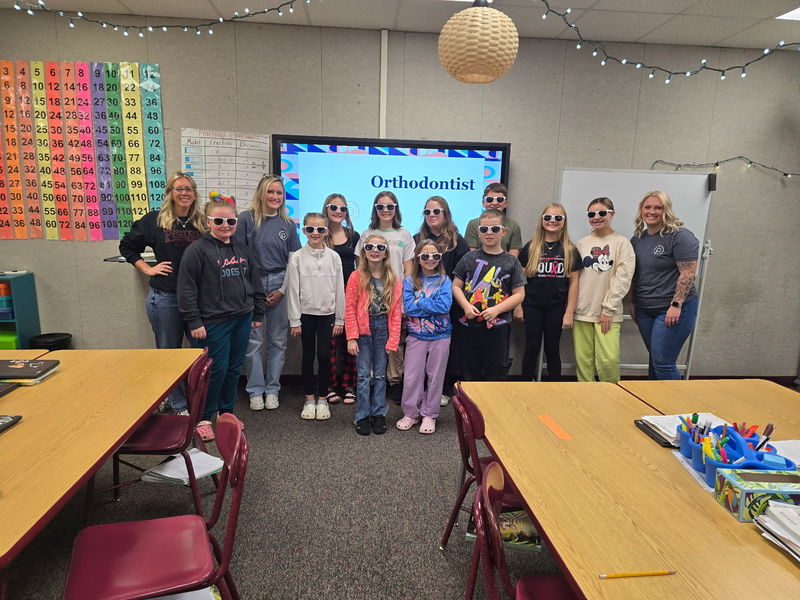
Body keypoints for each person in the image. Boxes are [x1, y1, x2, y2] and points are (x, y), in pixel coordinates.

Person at [177, 197, 265, 442]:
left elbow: (254, 280)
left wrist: (257, 312)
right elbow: (186, 289)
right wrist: (194, 321)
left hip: (242, 317)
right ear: (208, 222)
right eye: (219, 221)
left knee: (234, 369)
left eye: (230, 221)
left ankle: (226, 414)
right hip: (213, 322)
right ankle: (204, 417)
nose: (225, 225)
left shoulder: (242, 248)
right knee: (214, 371)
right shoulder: (197, 251)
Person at [119, 172, 204, 414]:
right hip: (166, 298)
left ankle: (199, 402)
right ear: (170, 193)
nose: (184, 193)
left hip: (198, 300)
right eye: (179, 189)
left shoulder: (202, 222)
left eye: (189, 189)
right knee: (170, 354)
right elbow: (127, 246)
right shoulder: (155, 220)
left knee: (201, 353)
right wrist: (147, 268)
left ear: (195, 193)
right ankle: (179, 405)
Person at [235, 174, 301, 412]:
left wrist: (282, 291)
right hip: (253, 286)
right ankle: (255, 390)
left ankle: (272, 389)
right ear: (261, 193)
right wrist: (254, 292)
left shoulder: (288, 224)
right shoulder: (246, 219)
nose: (275, 197)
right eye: (270, 192)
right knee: (253, 342)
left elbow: (294, 261)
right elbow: (238, 258)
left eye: (279, 193)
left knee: (278, 341)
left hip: (280, 283)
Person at [630, 191, 700, 380]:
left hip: (672, 309)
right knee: (655, 360)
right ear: (641, 211)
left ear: (666, 210)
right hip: (645, 309)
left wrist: (676, 305)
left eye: (658, 207)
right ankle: (656, 406)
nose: (652, 212)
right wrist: (633, 303)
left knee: (663, 362)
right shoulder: (637, 239)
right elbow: (635, 274)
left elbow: (688, 273)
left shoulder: (679, 236)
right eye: (648, 207)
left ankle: (677, 408)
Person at [354, 191, 414, 402]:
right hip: (371, 300)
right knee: (370, 343)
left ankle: (394, 382)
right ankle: (371, 383)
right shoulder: (366, 234)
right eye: (381, 207)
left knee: (395, 343)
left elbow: (408, 271)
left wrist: (405, 299)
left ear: (396, 208)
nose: (386, 210)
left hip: (395, 297)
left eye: (390, 206)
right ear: (375, 209)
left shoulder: (404, 234)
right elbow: (360, 267)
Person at [452, 209, 526, 381]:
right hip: (470, 326)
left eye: (494, 229)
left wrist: (497, 310)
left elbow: (519, 294)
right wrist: (465, 306)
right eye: (484, 229)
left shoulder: (512, 261)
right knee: (468, 370)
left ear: (504, 231)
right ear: (478, 232)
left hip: (498, 328)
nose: (489, 233)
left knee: (496, 371)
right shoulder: (468, 258)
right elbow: (456, 285)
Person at [286, 212, 345, 420]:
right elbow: (293, 290)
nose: (315, 233)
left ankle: (322, 400)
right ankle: (309, 399)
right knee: (308, 356)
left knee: (323, 356)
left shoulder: (334, 257)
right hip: (305, 315)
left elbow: (339, 289)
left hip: (327, 315)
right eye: (310, 229)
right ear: (304, 231)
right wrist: (294, 320)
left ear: (326, 231)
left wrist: (340, 318)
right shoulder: (297, 258)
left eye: (320, 229)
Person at [514, 203, 580, 381]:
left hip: (556, 307)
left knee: (552, 348)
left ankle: (554, 387)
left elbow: (574, 282)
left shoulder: (570, 249)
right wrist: (518, 306)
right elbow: (519, 280)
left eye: (558, 218)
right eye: (548, 217)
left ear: (564, 222)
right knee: (532, 347)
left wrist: (569, 313)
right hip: (531, 305)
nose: (552, 221)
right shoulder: (531, 247)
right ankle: (526, 385)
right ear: (542, 221)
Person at [345, 234, 403, 436]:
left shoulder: (393, 279)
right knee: (362, 376)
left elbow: (396, 312)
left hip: (382, 330)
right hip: (362, 330)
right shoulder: (356, 277)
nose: (375, 250)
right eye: (370, 246)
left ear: (386, 252)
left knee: (380, 375)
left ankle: (378, 413)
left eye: (380, 247)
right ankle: (362, 415)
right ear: (364, 251)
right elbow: (350, 308)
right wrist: (351, 336)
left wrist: (393, 339)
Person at [573, 197, 635, 383]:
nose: (596, 217)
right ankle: (586, 398)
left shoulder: (622, 243)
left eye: (602, 213)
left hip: (607, 314)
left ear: (612, 214)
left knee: (608, 361)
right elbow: (575, 278)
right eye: (592, 214)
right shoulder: (582, 243)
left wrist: (608, 308)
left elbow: (623, 278)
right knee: (583, 361)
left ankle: (611, 398)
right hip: (582, 311)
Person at [414, 195, 468, 406]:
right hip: (420, 305)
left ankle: (444, 388)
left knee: (445, 350)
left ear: (446, 214)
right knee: (420, 348)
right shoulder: (417, 238)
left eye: (436, 211)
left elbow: (462, 276)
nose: (432, 215)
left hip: (449, 305)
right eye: (427, 212)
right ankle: (422, 389)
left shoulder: (457, 241)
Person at [397, 239, 453, 434]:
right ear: (418, 259)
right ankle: (411, 413)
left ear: (440, 258)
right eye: (425, 256)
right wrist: (429, 304)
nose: (430, 259)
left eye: (435, 256)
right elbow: (408, 308)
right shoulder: (410, 281)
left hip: (441, 336)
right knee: (412, 376)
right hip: (416, 336)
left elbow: (444, 307)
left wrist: (419, 300)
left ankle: (430, 414)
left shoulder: (445, 281)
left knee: (435, 377)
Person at [323, 194, 360, 405]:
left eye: (342, 208)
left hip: (350, 294)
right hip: (327, 295)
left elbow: (360, 267)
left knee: (350, 340)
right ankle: (329, 385)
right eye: (333, 207)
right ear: (326, 208)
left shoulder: (354, 235)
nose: (338, 211)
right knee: (329, 344)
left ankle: (348, 385)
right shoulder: (320, 233)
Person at [464, 183, 523, 257]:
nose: (495, 203)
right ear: (483, 203)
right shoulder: (473, 224)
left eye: (500, 199)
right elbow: (471, 256)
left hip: (505, 267)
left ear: (506, 203)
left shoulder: (513, 226)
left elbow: (513, 258)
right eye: (489, 199)